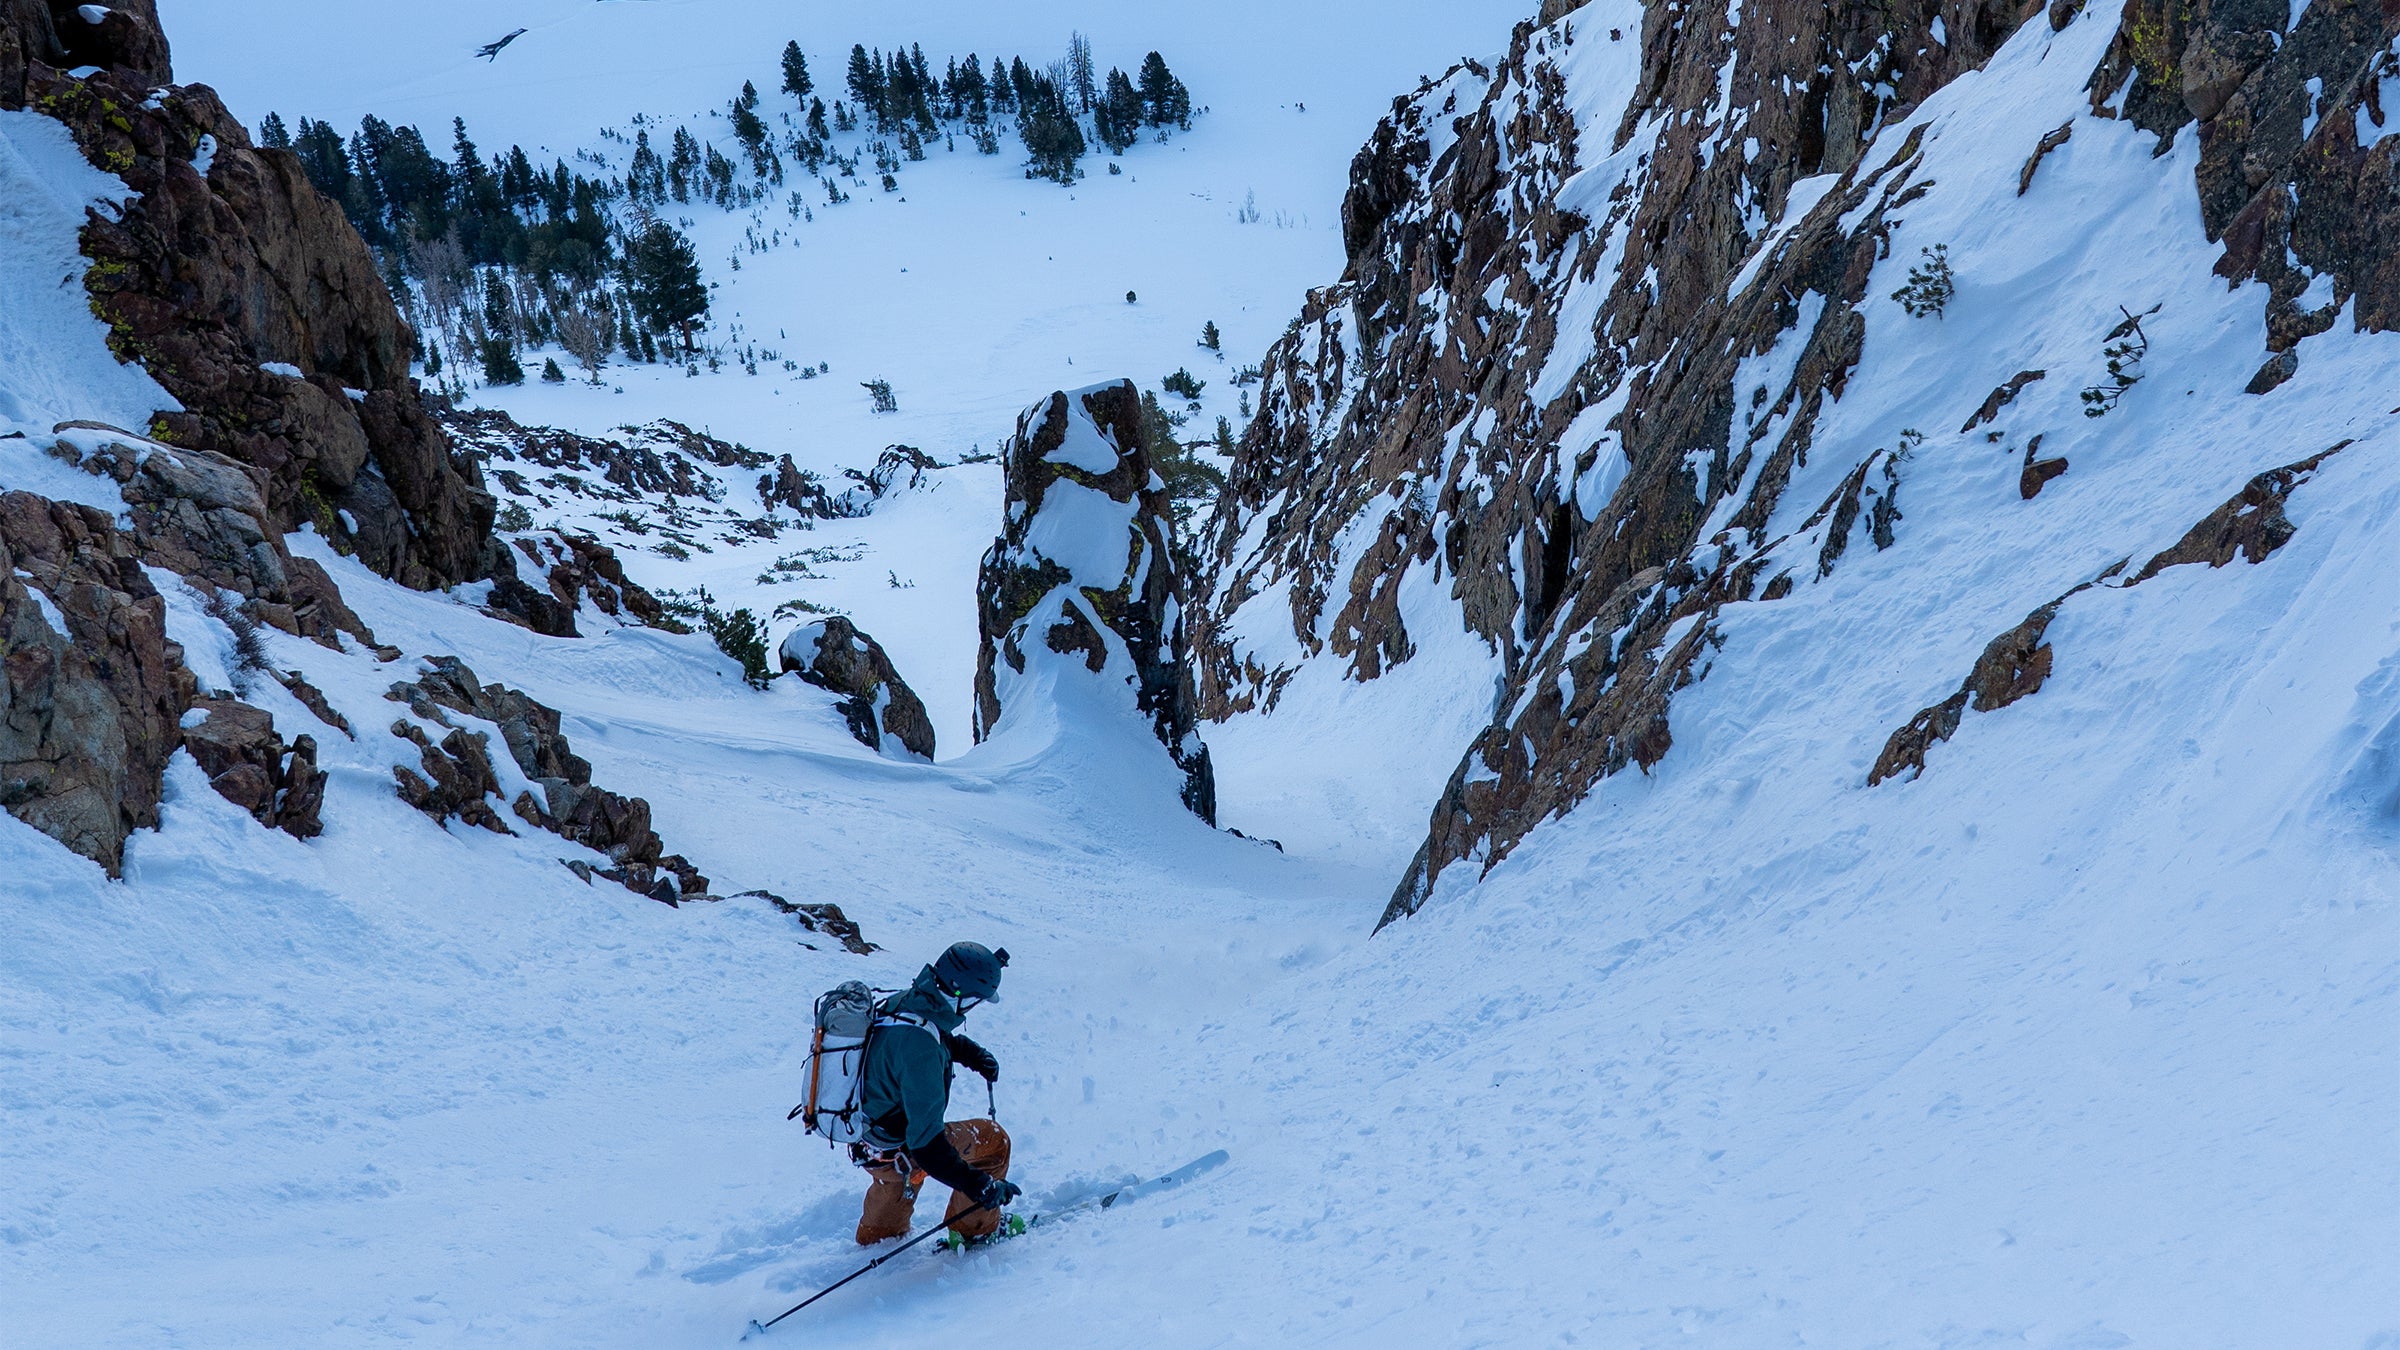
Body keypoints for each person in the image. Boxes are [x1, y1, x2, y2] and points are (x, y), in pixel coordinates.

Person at [852, 941, 1022, 1245]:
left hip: (867, 1142)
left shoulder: (904, 1003)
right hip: (904, 1150)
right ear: (962, 995)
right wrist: (981, 1186)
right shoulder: (923, 1052)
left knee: (897, 1168)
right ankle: (976, 1230)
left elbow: (911, 1044)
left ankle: (879, 1233)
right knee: (994, 1142)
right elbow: (928, 1148)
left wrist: (969, 1053)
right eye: (977, 1000)